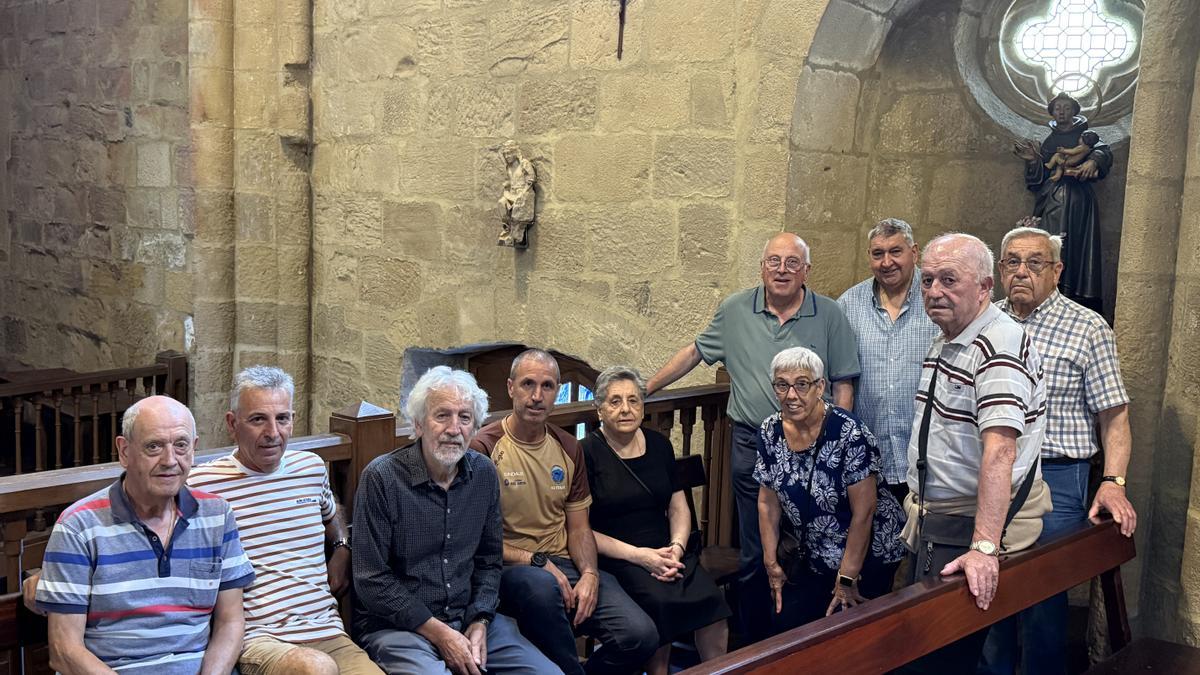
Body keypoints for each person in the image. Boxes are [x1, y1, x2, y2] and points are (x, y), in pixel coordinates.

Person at [647, 232, 860, 639]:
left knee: (815, 545)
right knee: (756, 547)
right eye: (774, 262)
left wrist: (837, 442)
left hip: (816, 446)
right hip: (753, 443)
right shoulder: (735, 309)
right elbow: (695, 352)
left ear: (806, 271)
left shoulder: (830, 314)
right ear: (762, 268)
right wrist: (646, 389)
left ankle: (803, 637)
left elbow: (844, 382)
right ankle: (754, 642)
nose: (782, 270)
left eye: (792, 263)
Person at [979, 226, 1139, 675]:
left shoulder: (1087, 327)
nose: (1022, 272)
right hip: (991, 473)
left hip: (1058, 478)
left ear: (1057, 270)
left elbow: (1115, 416)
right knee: (985, 592)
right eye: (1012, 262)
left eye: (1035, 262)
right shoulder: (984, 321)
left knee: (1042, 602)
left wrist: (1113, 481)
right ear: (999, 270)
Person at [897, 233, 1051, 674]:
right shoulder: (952, 336)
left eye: (949, 280)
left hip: (966, 527)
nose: (934, 291)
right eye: (928, 280)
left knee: (938, 660)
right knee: (925, 653)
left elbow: (1001, 450)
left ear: (985, 287)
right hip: (941, 521)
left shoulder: (997, 343)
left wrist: (983, 546)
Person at [353, 366, 559, 675]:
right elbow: (371, 579)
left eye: (464, 418)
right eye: (442, 416)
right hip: (399, 628)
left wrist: (480, 619)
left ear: (475, 427)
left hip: (468, 620)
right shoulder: (382, 478)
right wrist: (440, 633)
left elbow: (489, 561)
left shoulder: (484, 474)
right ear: (418, 423)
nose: (454, 429)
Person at [469, 349, 658, 675]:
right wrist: (536, 561)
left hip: (564, 563)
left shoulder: (569, 447)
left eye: (547, 386)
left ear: (557, 391)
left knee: (640, 636)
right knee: (541, 588)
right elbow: (477, 540)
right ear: (511, 387)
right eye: (528, 384)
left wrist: (590, 574)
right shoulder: (483, 448)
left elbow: (579, 528)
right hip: (510, 568)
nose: (537, 396)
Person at [35, 396, 255, 674]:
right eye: (154, 446)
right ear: (124, 451)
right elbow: (64, 650)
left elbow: (230, 623)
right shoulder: (78, 525)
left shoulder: (217, 515)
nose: (170, 460)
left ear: (194, 448)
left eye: (181, 445)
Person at [188, 367, 383, 675]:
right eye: (258, 419)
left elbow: (331, 510)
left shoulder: (310, 467)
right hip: (259, 640)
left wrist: (342, 547)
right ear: (232, 423)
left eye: (282, 418)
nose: (273, 432)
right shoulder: (203, 485)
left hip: (329, 633)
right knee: (315, 669)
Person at [580, 366, 731, 675]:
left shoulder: (659, 444)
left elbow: (678, 508)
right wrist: (641, 557)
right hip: (619, 557)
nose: (626, 409)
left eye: (633, 400)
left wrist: (677, 547)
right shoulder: (586, 452)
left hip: (667, 551)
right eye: (615, 401)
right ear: (599, 409)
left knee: (712, 604)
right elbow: (581, 529)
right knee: (660, 604)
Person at [755, 347, 906, 633]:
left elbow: (864, 512)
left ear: (820, 386)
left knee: (850, 635)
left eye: (802, 384)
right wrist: (771, 562)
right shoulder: (769, 431)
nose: (791, 395)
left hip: (867, 553)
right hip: (812, 554)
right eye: (782, 385)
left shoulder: (850, 433)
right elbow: (767, 503)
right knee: (789, 626)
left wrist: (847, 577)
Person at [837, 219, 940, 502]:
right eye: (878, 253)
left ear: (914, 252)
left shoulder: (937, 299)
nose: (886, 262)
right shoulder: (849, 304)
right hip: (869, 458)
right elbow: (839, 378)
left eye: (895, 251)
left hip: (928, 457)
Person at [1013, 91, 1114, 314]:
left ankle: (1073, 293)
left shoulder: (1086, 136)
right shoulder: (1050, 141)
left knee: (1076, 245)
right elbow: (1039, 179)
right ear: (1052, 112)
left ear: (1074, 112)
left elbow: (1103, 151)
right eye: (1057, 108)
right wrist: (1033, 161)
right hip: (1051, 200)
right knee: (1051, 243)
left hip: (1078, 200)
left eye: (1066, 108)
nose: (1061, 112)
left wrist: (1094, 161)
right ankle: (1050, 288)